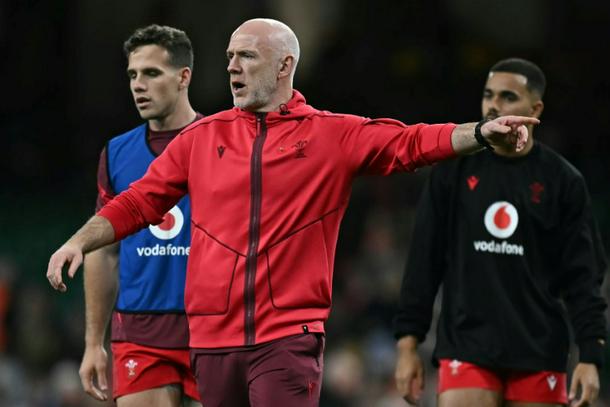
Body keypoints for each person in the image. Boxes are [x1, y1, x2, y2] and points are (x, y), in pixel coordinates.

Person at [47, 19, 539, 407]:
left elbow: (411, 143)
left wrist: (480, 133)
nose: (232, 67)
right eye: (229, 57)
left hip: (286, 339)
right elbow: (138, 201)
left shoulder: (330, 135)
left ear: (284, 66)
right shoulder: (201, 138)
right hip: (212, 342)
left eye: (247, 56)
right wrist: (79, 242)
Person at [393, 58, 607, 407]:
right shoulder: (453, 170)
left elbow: (583, 276)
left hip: (539, 348)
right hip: (467, 344)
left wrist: (590, 354)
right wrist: (407, 345)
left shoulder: (563, 181)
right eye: (488, 94)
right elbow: (423, 262)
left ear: (535, 109)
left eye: (508, 97)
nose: (494, 105)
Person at [78, 25, 202, 406]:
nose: (138, 85)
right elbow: (104, 252)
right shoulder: (117, 154)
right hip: (140, 333)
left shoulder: (223, 142)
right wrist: (93, 343)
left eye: (151, 73)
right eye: (133, 75)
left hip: (213, 329)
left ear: (183, 77)